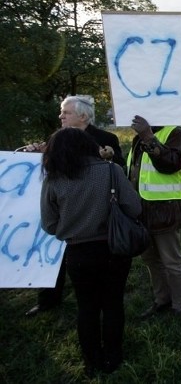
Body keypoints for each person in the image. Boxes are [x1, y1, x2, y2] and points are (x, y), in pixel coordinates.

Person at [40, 127, 140, 376]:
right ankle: (113, 357)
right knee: (113, 303)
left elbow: (49, 224)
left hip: (78, 252)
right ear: (87, 145)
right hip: (114, 248)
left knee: (87, 307)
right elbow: (135, 208)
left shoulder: (53, 180)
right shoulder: (111, 170)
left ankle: (91, 360)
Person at [25, 94, 125, 317]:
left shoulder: (105, 137)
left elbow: (119, 170)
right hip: (64, 210)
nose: (60, 116)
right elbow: (49, 169)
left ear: (82, 116)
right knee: (54, 254)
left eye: (66, 112)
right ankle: (48, 298)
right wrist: (36, 156)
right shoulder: (57, 139)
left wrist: (109, 157)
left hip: (96, 218)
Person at [128, 115, 181, 318]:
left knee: (171, 259)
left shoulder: (176, 132)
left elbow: (171, 164)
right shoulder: (138, 138)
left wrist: (147, 136)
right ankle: (162, 299)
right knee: (150, 258)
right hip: (142, 210)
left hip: (166, 209)